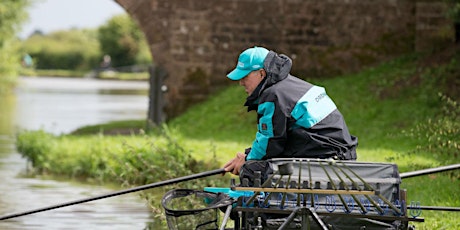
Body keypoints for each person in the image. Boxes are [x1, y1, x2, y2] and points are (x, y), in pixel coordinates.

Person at [223, 46, 358, 185]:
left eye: (244, 77)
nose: (241, 82)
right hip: (338, 155)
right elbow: (276, 141)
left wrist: (246, 160)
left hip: (326, 162)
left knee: (253, 170)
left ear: (261, 73)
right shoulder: (287, 87)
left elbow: (271, 143)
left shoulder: (274, 95)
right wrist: (247, 154)